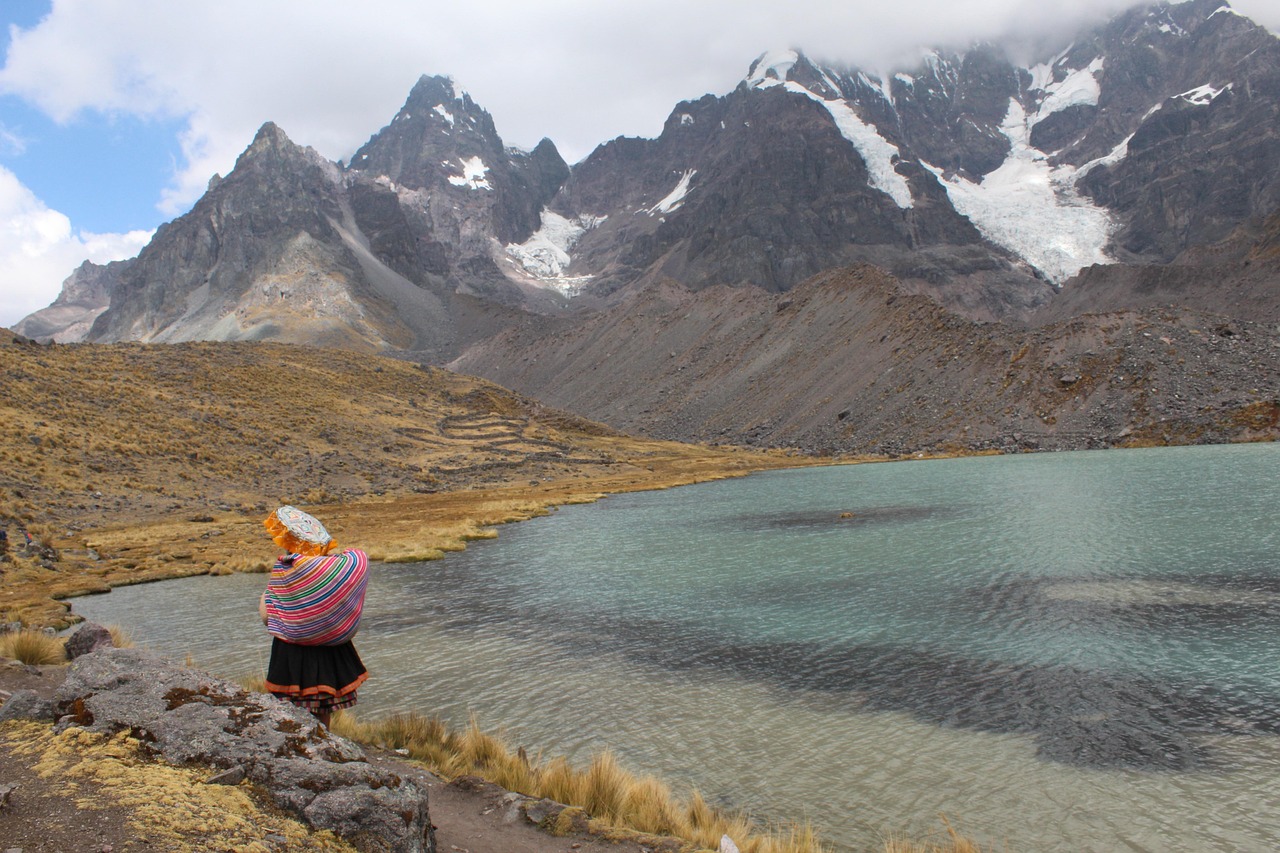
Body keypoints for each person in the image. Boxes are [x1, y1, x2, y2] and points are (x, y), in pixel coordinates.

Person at [259, 505, 369, 728]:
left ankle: (295, 742)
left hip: (292, 651)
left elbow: (267, 614)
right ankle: (323, 741)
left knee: (290, 705)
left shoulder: (285, 570)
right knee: (322, 707)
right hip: (330, 650)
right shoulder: (336, 568)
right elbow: (358, 558)